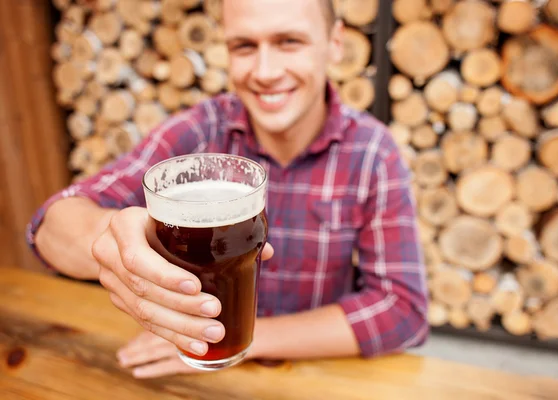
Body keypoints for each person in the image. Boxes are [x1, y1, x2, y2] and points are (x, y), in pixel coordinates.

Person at [27, 0, 429, 379]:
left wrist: (247, 339)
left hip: (309, 378)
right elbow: (49, 228)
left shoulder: (372, 152)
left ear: (335, 44)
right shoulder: (203, 132)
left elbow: (404, 311)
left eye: (289, 42)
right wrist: (114, 243)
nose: (266, 71)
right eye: (244, 46)